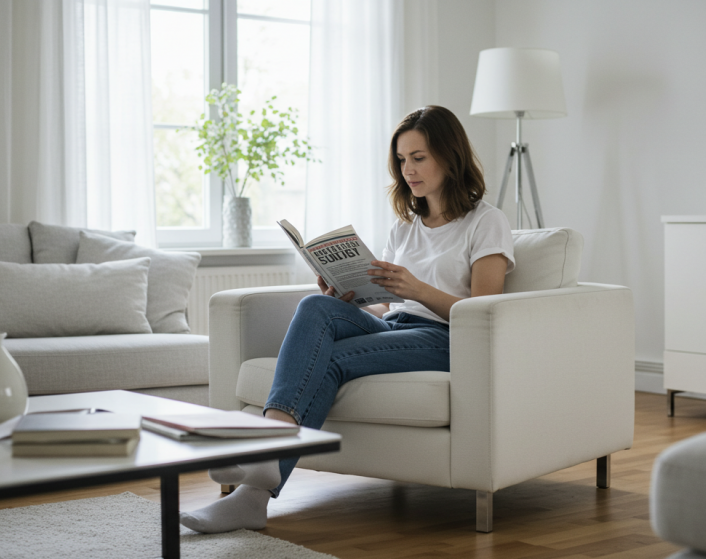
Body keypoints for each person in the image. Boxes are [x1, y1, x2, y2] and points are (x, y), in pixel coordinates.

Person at [179, 105, 515, 533]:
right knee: (315, 306)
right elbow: (387, 309)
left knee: (334, 361)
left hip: (447, 338)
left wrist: (417, 289)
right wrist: (348, 298)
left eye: (419, 157)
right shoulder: (405, 226)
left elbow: (486, 311)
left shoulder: (487, 222)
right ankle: (258, 479)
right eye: (401, 159)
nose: (407, 169)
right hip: (397, 328)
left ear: (450, 157)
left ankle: (257, 479)